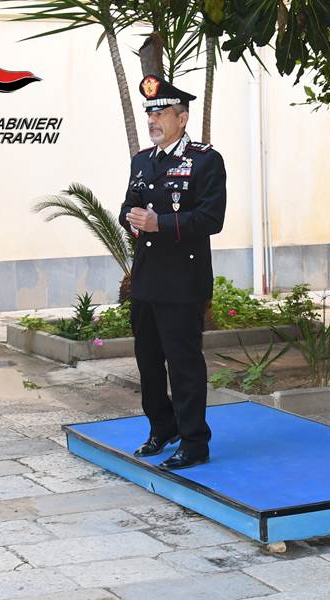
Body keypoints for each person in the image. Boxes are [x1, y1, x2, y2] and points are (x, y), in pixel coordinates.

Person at [118, 74, 227, 471]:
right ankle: (162, 427)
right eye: (150, 113)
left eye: (161, 112)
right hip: (146, 278)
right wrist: (131, 220)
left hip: (182, 281)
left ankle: (194, 440)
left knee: (183, 363)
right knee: (148, 360)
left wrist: (158, 223)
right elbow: (128, 204)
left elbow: (211, 218)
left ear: (182, 119)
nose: (153, 120)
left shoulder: (205, 160)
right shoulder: (142, 160)